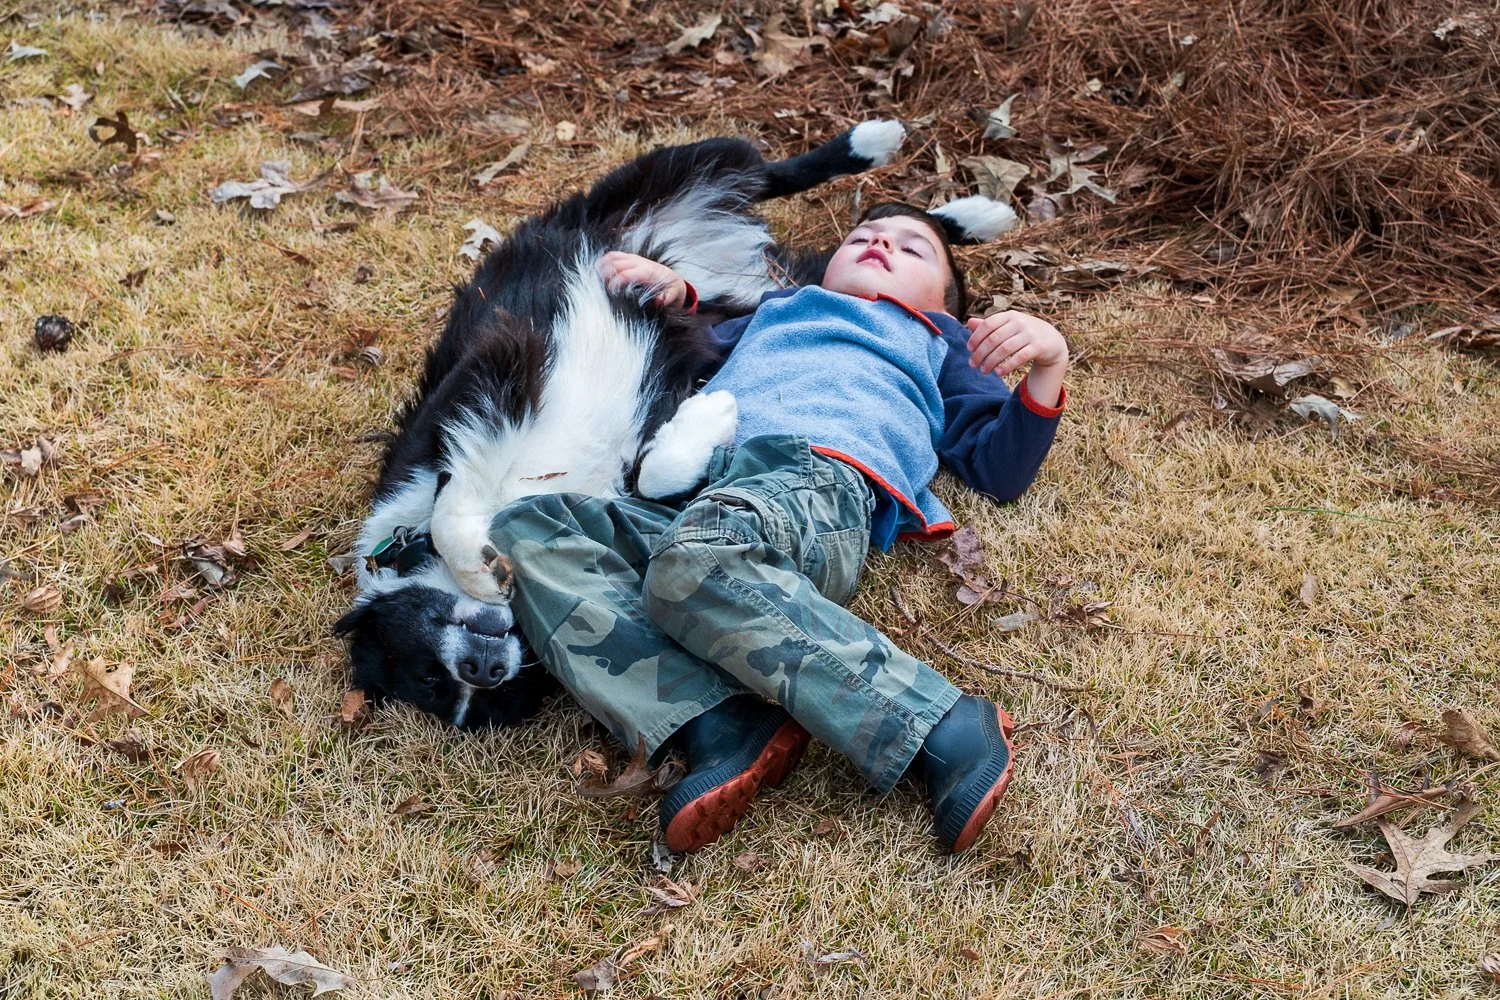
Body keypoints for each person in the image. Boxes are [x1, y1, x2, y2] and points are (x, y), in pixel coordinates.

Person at [490, 203, 1068, 854]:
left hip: (811, 487)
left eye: (913, 249)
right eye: (865, 235)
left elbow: (1000, 468)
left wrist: (1048, 364)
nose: (881, 242)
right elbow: (694, 346)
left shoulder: (938, 343)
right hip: (697, 494)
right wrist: (677, 295)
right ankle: (714, 720)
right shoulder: (776, 310)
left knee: (697, 559)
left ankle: (936, 723)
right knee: (523, 530)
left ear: (945, 306)